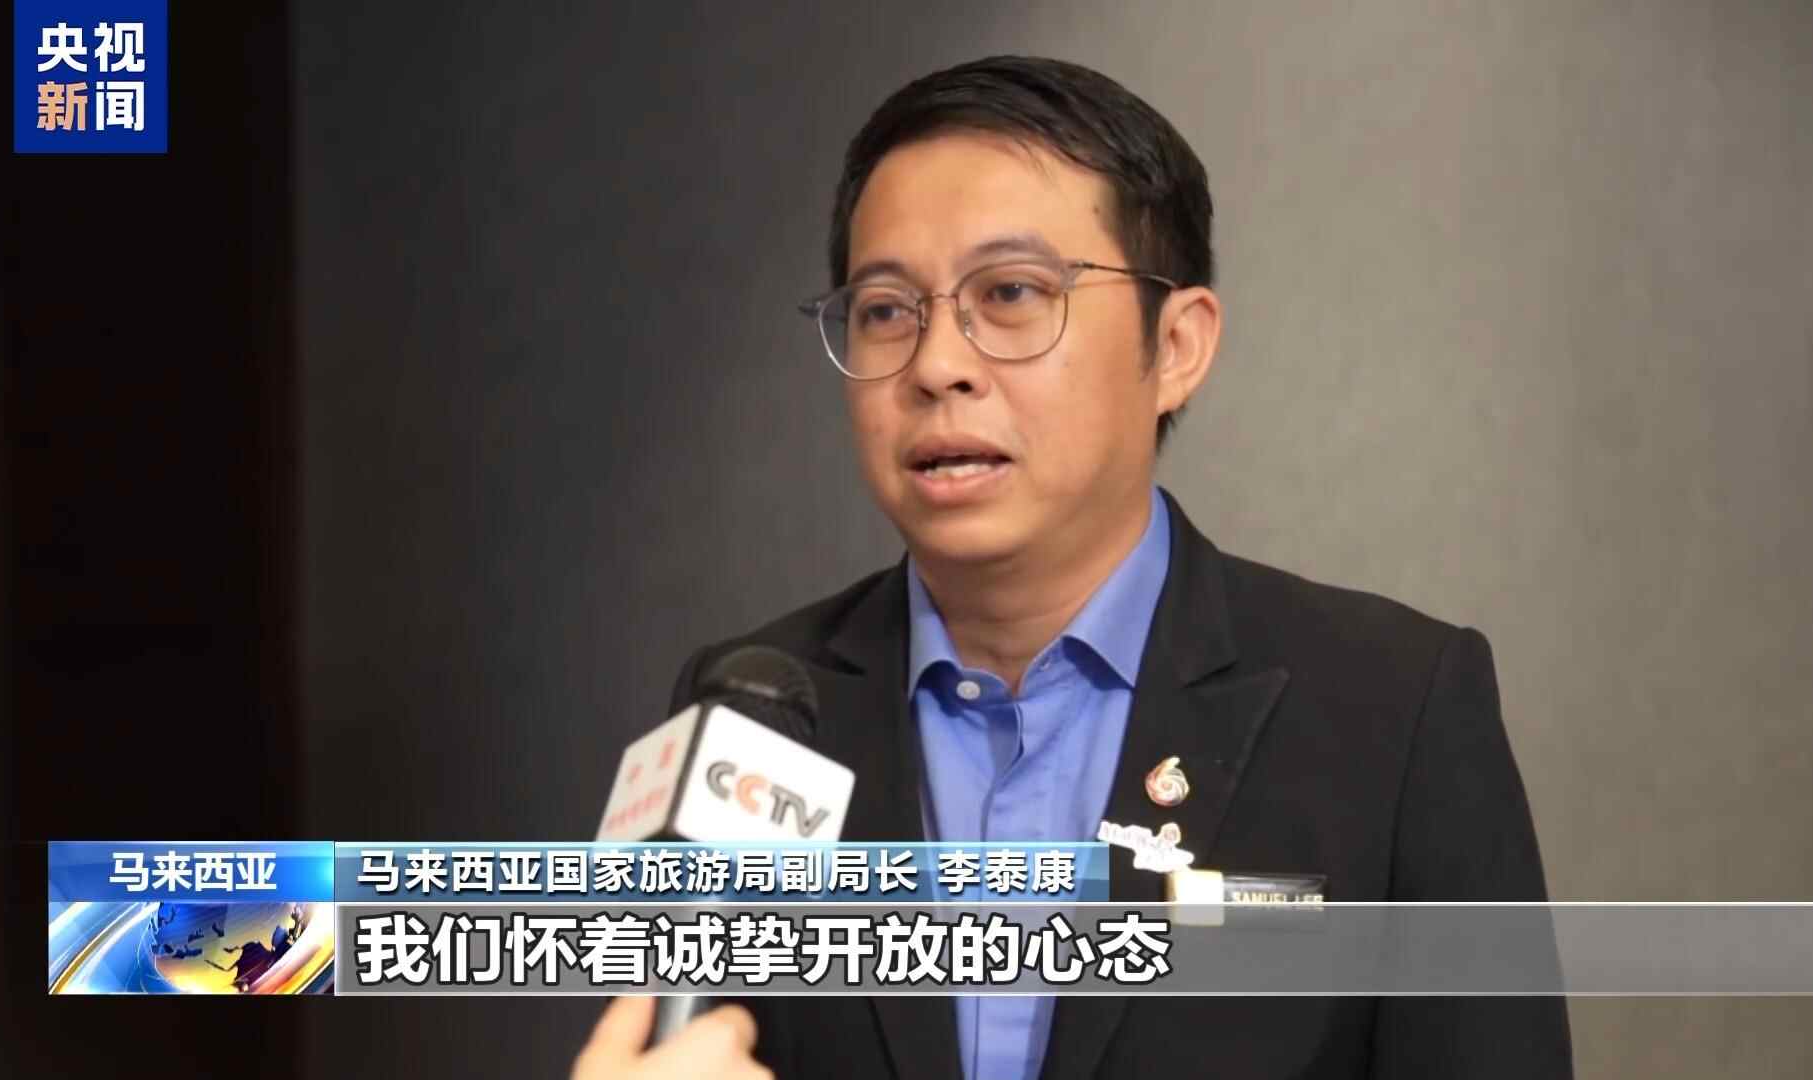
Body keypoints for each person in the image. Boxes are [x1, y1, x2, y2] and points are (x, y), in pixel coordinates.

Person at [573, 54, 1571, 1080]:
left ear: (1175, 345)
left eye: (1011, 293)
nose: (936, 365)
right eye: (885, 309)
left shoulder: (1393, 711)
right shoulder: (756, 713)